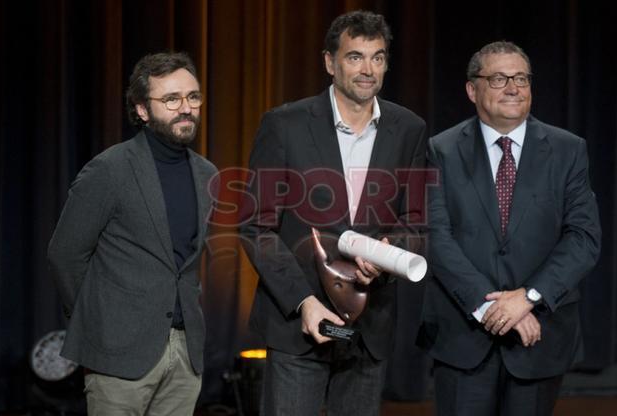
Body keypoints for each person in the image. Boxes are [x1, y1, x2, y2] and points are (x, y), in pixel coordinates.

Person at [239, 10, 427, 416]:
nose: (368, 69)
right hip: (298, 326)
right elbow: (257, 227)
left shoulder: (409, 128)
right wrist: (303, 302)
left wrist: (387, 254)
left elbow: (417, 221)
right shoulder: (284, 125)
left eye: (377, 57)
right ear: (329, 62)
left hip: (369, 327)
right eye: (355, 57)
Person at [417, 41, 601, 415]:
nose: (513, 88)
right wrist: (491, 308)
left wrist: (527, 297)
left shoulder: (568, 149)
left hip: (540, 335)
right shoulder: (441, 150)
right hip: (462, 337)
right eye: (499, 78)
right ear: (472, 89)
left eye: (521, 78)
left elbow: (583, 238)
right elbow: (434, 236)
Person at [47, 52, 217, 415]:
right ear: (142, 110)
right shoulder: (110, 169)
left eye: (193, 97)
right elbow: (65, 255)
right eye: (171, 99)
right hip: (118, 356)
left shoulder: (206, 174)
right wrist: (99, 326)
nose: (185, 108)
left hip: (185, 355)